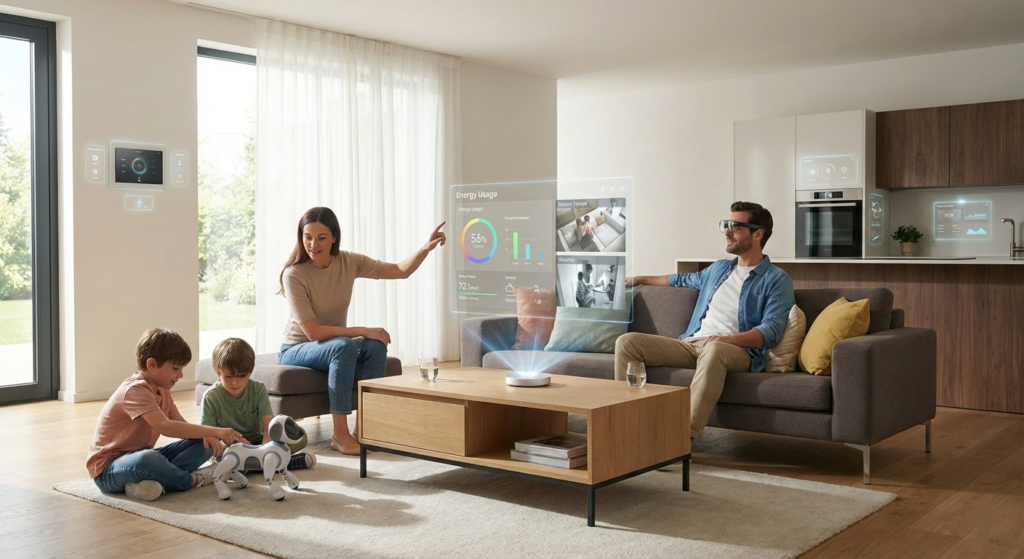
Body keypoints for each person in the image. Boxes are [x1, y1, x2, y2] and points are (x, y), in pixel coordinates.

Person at [615, 201, 794, 440]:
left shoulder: (776, 279)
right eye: (725, 225)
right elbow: (682, 279)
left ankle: (681, 438)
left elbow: (771, 330)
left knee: (716, 349)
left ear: (758, 234)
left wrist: (728, 339)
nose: (727, 232)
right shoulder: (718, 269)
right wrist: (641, 278)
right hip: (692, 344)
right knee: (628, 342)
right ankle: (624, 425)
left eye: (735, 226)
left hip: (735, 351)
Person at [278, 207, 446, 455]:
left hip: (332, 345)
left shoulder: (348, 261)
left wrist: (425, 248)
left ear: (334, 237)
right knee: (345, 345)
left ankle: (366, 429)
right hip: (296, 349)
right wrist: (361, 330)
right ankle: (340, 435)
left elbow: (400, 271)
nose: (313, 244)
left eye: (321, 237)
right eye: (307, 237)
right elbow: (312, 333)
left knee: (375, 344)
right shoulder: (294, 274)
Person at [87, 328, 247, 502]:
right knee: (148, 459)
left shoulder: (162, 389)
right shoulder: (134, 390)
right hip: (108, 470)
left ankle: (150, 484)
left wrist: (208, 436)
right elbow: (166, 427)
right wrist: (217, 431)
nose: (180, 375)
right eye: (176, 368)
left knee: (204, 443)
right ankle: (194, 480)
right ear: (152, 364)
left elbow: (180, 424)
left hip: (136, 462)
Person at [200, 337, 316, 470]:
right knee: (222, 454)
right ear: (218, 371)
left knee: (301, 437)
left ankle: (257, 463)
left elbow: (268, 425)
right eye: (228, 376)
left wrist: (266, 448)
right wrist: (235, 442)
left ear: (250, 372)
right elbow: (208, 434)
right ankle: (280, 464)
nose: (234, 382)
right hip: (231, 444)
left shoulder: (258, 389)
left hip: (258, 442)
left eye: (241, 376)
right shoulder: (211, 396)